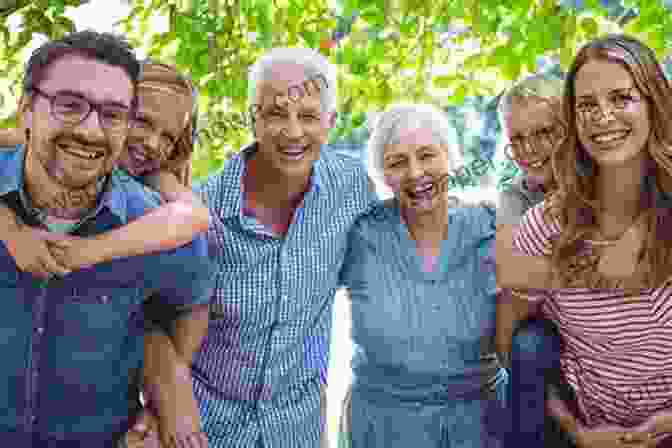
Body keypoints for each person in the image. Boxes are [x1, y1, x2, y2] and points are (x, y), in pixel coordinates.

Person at [132, 47, 377, 448]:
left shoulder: (351, 188)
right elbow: (150, 322)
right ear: (253, 120)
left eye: (310, 116)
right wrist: (163, 405)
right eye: (276, 114)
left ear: (331, 123)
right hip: (205, 426)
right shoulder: (199, 215)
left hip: (296, 427)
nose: (294, 131)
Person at [0, 31, 214, 447]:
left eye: (113, 114)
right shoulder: (14, 152)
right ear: (27, 109)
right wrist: (10, 228)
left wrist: (167, 387)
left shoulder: (156, 212)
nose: (90, 129)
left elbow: (193, 295)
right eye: (70, 105)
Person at [498, 34, 672, 447]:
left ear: (654, 105)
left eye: (622, 98)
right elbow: (509, 343)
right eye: (588, 105)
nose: (603, 116)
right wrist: (578, 433)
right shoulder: (543, 225)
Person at [338, 103, 507, 447]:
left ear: (451, 158)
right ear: (382, 174)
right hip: (383, 427)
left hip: (478, 426)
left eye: (427, 156)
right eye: (398, 162)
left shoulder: (492, 227)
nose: (416, 173)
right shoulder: (358, 234)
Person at [493, 72, 568, 447]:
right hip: (546, 333)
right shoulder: (517, 196)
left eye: (544, 133)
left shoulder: (611, 180)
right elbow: (513, 276)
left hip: (611, 335)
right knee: (529, 344)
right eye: (517, 139)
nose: (529, 150)